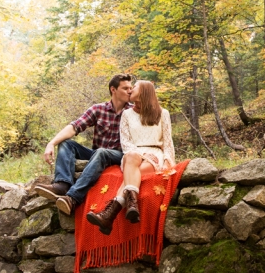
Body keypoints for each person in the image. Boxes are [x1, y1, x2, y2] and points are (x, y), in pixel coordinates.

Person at [82, 80, 175, 235]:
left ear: (145, 91)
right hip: (133, 154)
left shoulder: (162, 113)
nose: (130, 90)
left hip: (154, 154)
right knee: (131, 156)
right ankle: (131, 204)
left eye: (135, 87)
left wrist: (167, 161)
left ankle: (110, 214)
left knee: (133, 176)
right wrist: (140, 154)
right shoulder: (126, 114)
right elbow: (126, 143)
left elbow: (168, 142)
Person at [37, 73, 134, 215]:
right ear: (113, 90)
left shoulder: (133, 111)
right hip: (97, 155)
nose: (130, 91)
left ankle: (73, 198)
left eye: (131, 88)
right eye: (125, 88)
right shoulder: (98, 109)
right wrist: (51, 143)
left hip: (120, 156)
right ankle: (62, 185)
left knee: (102, 152)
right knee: (66, 143)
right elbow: (74, 127)